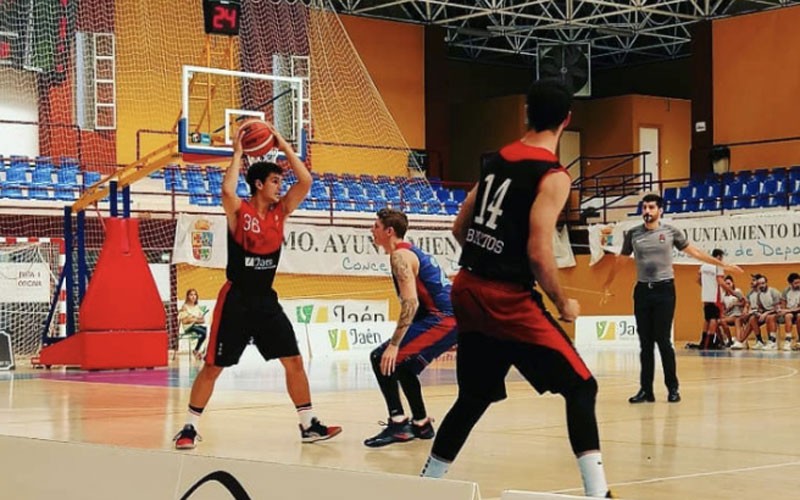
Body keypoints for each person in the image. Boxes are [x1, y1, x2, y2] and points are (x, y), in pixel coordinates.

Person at [420, 80, 613, 498]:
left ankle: (425, 487)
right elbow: (540, 251)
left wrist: (486, 258)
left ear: (526, 113)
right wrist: (563, 301)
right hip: (506, 298)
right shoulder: (552, 175)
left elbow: (460, 226)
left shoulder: (496, 160)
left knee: (474, 396)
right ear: (567, 119)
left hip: (467, 287)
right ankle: (598, 495)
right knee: (582, 386)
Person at [173, 122, 341, 449]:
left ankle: (308, 425)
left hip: (266, 301)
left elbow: (305, 180)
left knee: (293, 360)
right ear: (259, 184)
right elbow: (226, 191)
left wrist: (281, 143)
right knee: (213, 367)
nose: (281, 186)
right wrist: (237, 153)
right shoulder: (240, 211)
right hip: (236, 300)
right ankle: (190, 428)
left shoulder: (282, 212)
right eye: (275, 181)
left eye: (281, 181)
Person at [602, 193, 742, 404]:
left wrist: (723, 265)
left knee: (663, 341)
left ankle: (673, 388)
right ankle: (646, 390)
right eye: (644, 207)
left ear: (660, 211)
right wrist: (607, 285)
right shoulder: (633, 234)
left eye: (651, 207)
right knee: (645, 343)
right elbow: (621, 261)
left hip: (664, 291)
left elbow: (694, 252)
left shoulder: (670, 232)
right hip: (642, 291)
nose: (647, 211)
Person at [363, 208, 458, 447]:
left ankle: (398, 423)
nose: (371, 230)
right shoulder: (408, 252)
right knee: (404, 368)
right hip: (445, 317)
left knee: (380, 357)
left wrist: (394, 344)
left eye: (375, 226)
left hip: (443, 319)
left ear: (389, 231)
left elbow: (411, 303)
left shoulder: (400, 257)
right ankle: (421, 424)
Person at [697, 249, 734, 349]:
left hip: (705, 296)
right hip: (714, 296)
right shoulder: (718, 266)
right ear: (718, 257)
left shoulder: (703, 266)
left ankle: (703, 342)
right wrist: (733, 293)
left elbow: (699, 280)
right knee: (713, 319)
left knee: (707, 319)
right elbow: (721, 282)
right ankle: (709, 343)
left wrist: (706, 286)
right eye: (721, 257)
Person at [178, 288, 208, 359]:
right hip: (189, 327)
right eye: (191, 295)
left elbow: (203, 320)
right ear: (188, 296)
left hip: (196, 325)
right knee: (204, 333)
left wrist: (193, 318)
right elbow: (185, 321)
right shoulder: (185, 307)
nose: (193, 296)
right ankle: (196, 350)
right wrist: (195, 319)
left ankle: (199, 351)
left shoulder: (197, 307)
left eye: (195, 294)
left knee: (207, 331)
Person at [720, 276, 747, 350]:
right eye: (726, 284)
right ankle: (727, 340)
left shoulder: (737, 291)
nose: (728, 285)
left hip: (737, 314)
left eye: (729, 283)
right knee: (719, 321)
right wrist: (724, 313)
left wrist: (735, 304)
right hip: (729, 314)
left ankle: (739, 341)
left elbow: (744, 303)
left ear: (732, 283)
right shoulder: (723, 295)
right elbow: (723, 308)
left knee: (737, 320)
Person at [779, 273, 800, 350]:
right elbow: (783, 305)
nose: (798, 284)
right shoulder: (786, 291)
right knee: (788, 316)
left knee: (799, 316)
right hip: (789, 313)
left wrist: (787, 310)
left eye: (799, 282)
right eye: (796, 283)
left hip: (798, 312)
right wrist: (783, 310)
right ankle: (788, 340)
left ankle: (799, 340)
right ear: (790, 283)